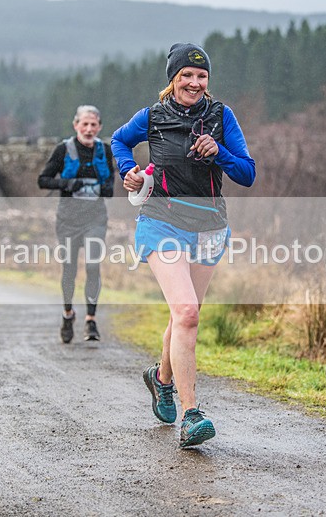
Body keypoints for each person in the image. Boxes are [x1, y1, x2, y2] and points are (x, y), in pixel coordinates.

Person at [111, 43, 255, 448]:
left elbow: (247, 174)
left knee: (182, 316)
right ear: (173, 79)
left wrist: (220, 152)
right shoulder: (153, 117)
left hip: (209, 226)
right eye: (186, 76)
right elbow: (119, 141)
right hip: (162, 221)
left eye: (201, 76)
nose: (194, 82)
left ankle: (161, 379)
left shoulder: (221, 116)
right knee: (188, 312)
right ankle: (193, 416)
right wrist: (130, 172)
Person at [38, 105, 114, 344]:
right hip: (68, 220)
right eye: (85, 124)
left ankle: (91, 320)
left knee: (93, 265)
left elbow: (110, 188)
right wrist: (68, 185)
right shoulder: (63, 149)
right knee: (69, 269)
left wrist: (100, 188)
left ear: (99, 127)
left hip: (95, 219)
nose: (89, 129)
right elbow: (43, 180)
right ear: (76, 125)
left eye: (94, 125)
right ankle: (68, 314)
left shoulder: (105, 150)